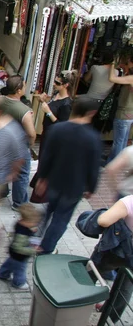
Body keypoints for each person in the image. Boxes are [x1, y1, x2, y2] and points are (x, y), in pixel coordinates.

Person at [36, 98, 102, 254]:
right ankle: (46, 248)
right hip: (75, 186)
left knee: (49, 210)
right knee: (61, 218)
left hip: (54, 180)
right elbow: (93, 167)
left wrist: (42, 177)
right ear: (91, 113)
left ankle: (36, 236)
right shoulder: (92, 138)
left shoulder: (57, 129)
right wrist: (91, 187)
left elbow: (47, 156)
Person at [2, 75, 36, 210]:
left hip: (2, 141)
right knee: (21, 175)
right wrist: (30, 144)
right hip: (18, 146)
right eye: (24, 86)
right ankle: (19, 203)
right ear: (18, 90)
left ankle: (2, 191)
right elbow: (32, 133)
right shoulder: (24, 111)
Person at [0, 203, 42, 290]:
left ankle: (3, 274)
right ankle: (19, 283)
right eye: (34, 222)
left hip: (13, 252)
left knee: (10, 263)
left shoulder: (20, 223)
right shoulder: (23, 233)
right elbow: (19, 248)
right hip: (20, 255)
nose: (35, 224)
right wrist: (33, 250)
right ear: (27, 221)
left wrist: (32, 229)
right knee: (20, 269)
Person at [37, 71, 76, 158]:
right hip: (46, 131)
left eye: (58, 83)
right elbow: (52, 107)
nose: (54, 84)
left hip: (53, 136)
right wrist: (43, 101)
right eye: (55, 81)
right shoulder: (56, 94)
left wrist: (48, 112)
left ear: (66, 85)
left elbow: (61, 125)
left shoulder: (66, 104)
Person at [108, 55, 133, 162]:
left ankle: (115, 163)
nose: (127, 63)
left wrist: (112, 64)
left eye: (128, 62)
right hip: (130, 113)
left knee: (118, 141)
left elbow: (111, 78)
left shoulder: (131, 78)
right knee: (122, 140)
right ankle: (114, 161)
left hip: (123, 113)